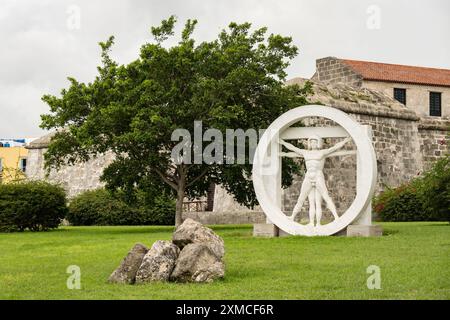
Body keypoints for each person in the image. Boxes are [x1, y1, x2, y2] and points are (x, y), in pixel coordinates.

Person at [279, 135, 352, 226]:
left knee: (325, 197)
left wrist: (345, 141)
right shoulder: (305, 152)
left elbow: (335, 147)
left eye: (315, 142)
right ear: (310, 143)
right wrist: (282, 142)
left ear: (318, 143)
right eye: (311, 142)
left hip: (318, 176)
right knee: (301, 198)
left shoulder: (322, 152)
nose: (313, 143)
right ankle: (293, 217)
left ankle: (336, 217)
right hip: (308, 176)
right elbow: (293, 148)